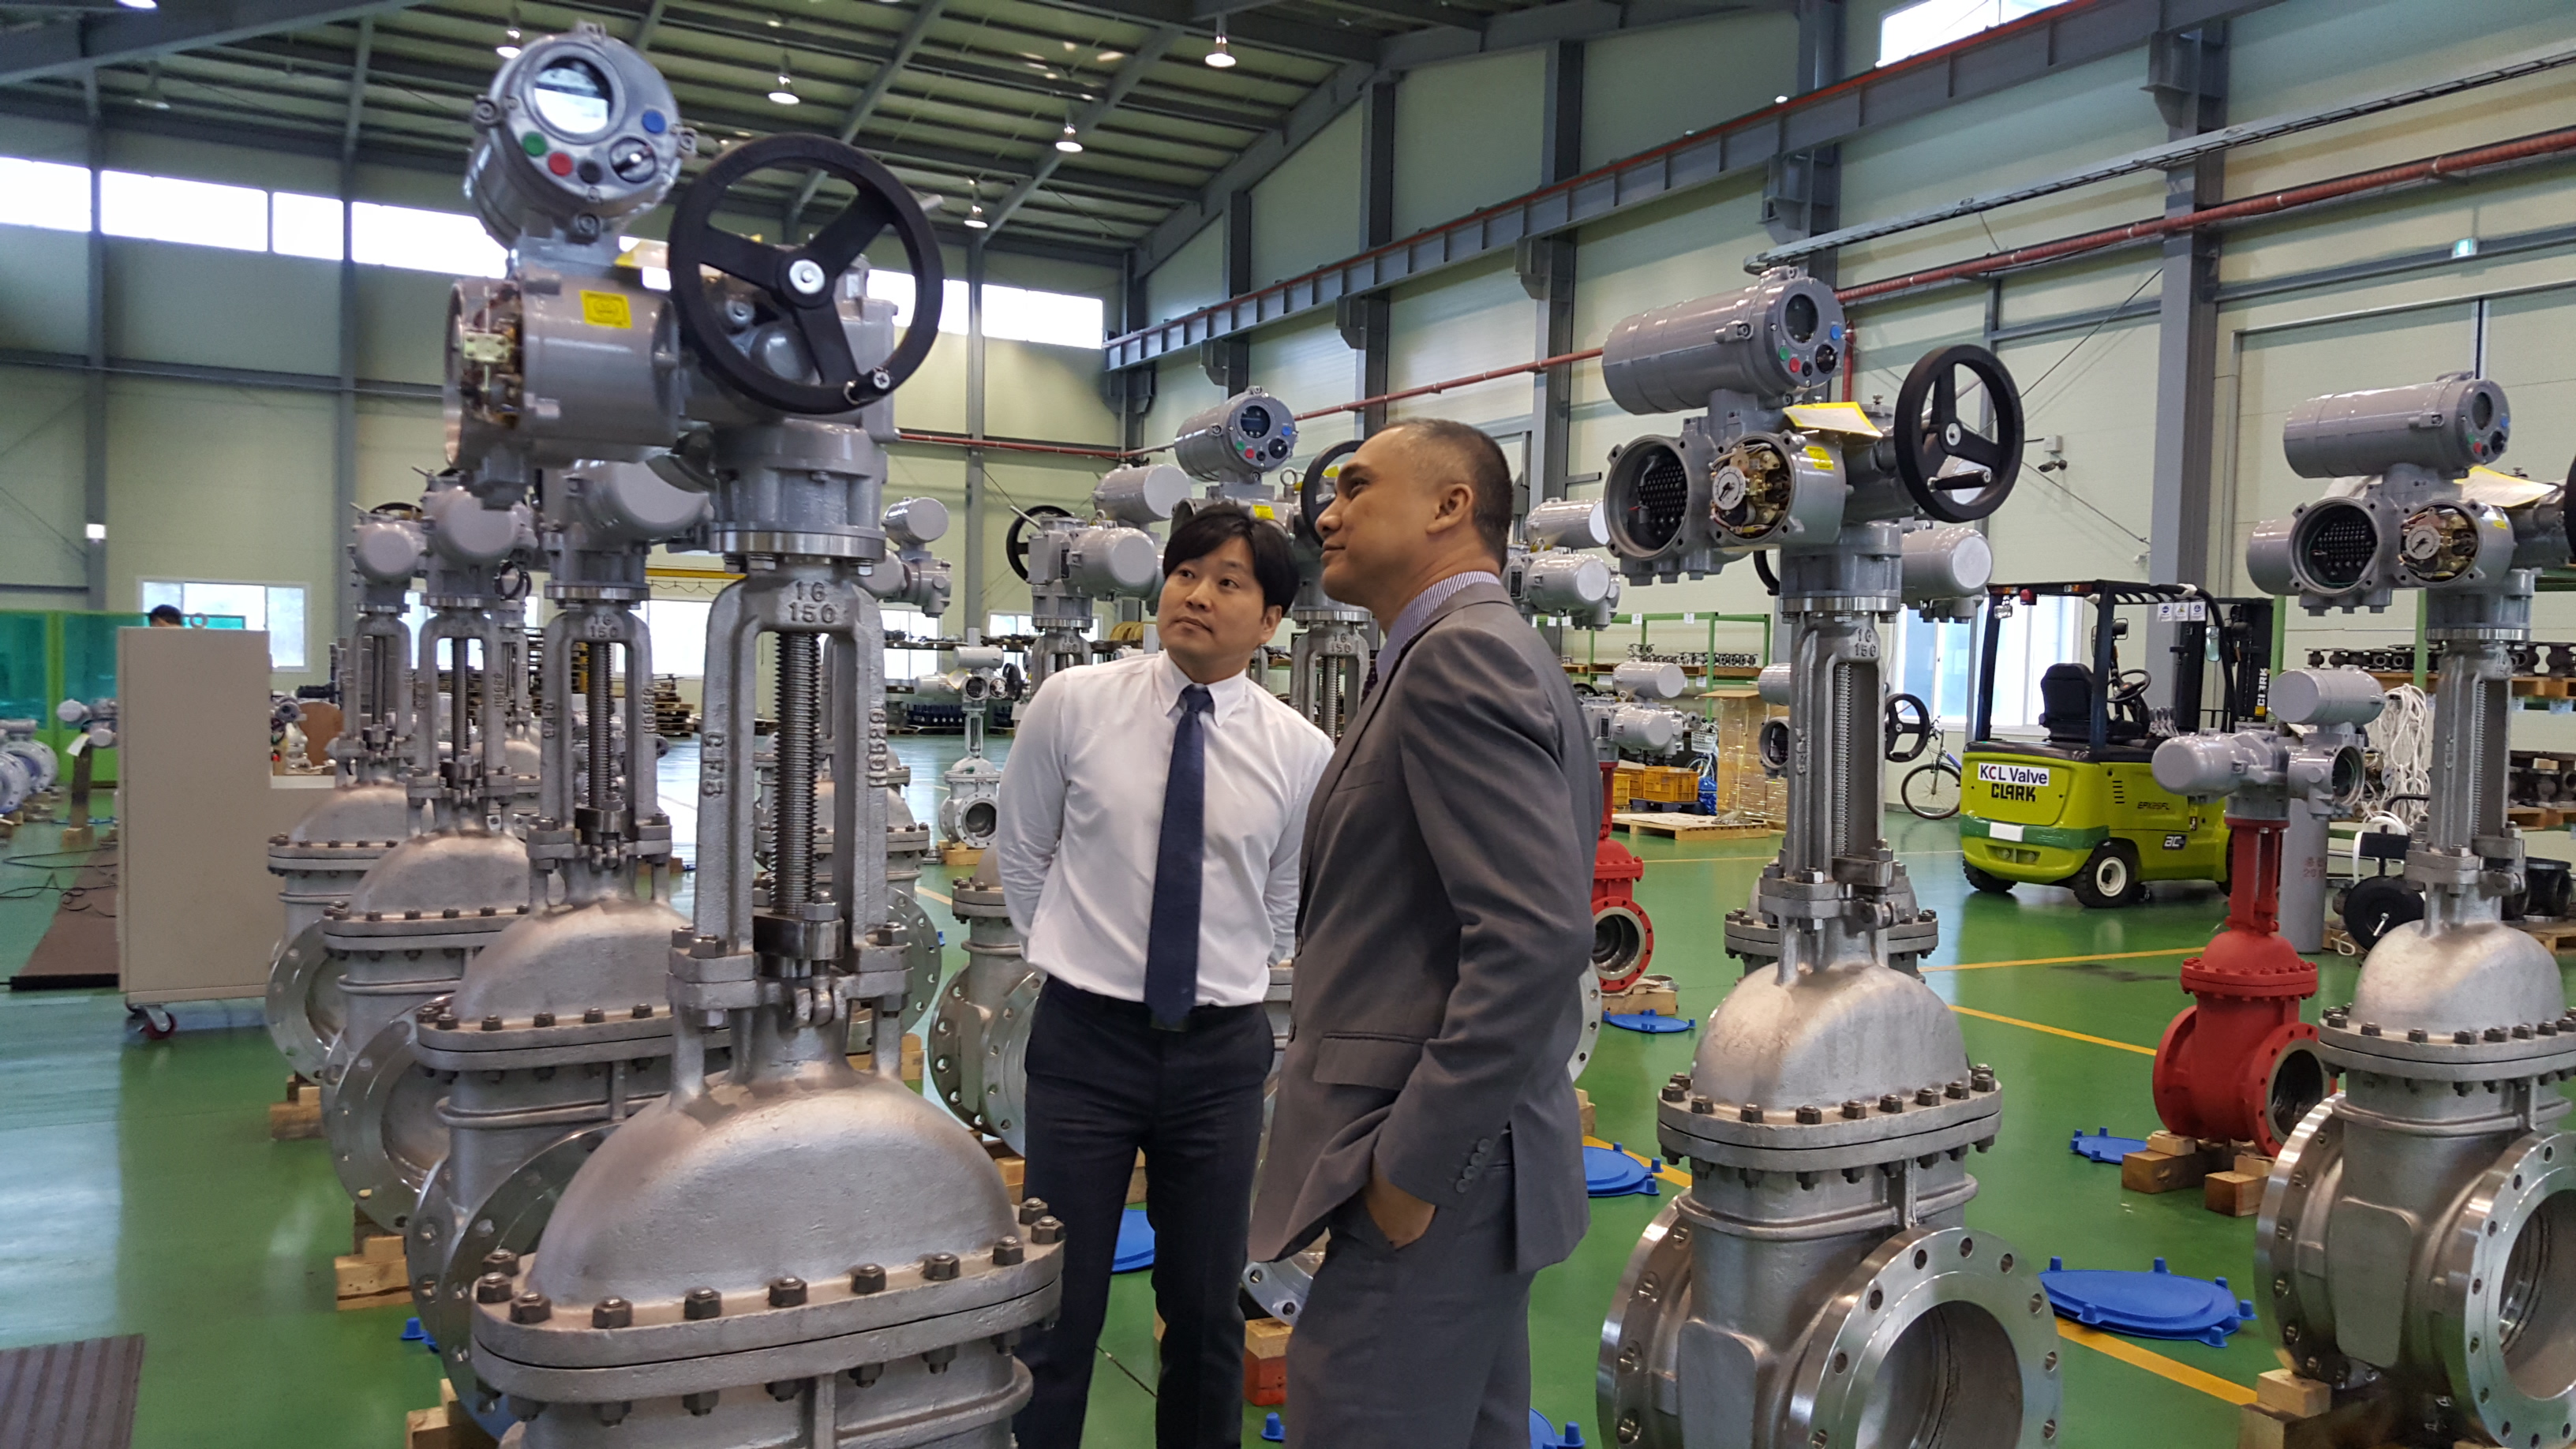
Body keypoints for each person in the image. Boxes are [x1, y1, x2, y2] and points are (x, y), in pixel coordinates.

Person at [1249, 418, 1595, 1447]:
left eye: (1356, 487)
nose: (1326, 514)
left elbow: (1533, 938)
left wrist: (1411, 1170)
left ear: (1452, 506)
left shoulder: (1460, 658)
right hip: (1475, 1171)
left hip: (1437, 1170)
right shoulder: (1460, 651)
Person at [995, 504, 1334, 1449]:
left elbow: (1283, 899)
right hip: (1084, 1049)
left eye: (1230, 582)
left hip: (1219, 1060)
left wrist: (1218, 971)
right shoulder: (1074, 704)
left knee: (1207, 1311)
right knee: (1057, 1307)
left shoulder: (1300, 752)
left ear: (1271, 620)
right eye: (1186, 573)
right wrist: (1077, 954)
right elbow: (1022, 852)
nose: (1198, 595)